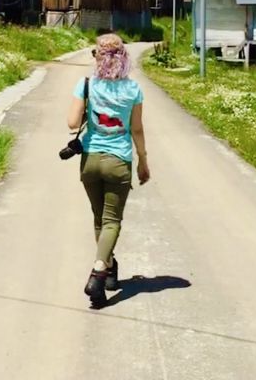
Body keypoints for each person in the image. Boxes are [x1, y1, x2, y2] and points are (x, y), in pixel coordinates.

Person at [66, 33, 150, 307]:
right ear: (124, 57)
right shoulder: (133, 89)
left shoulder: (86, 84)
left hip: (90, 160)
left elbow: (71, 122)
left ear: (97, 57)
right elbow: (136, 129)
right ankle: (99, 270)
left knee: (100, 218)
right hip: (118, 161)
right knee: (112, 220)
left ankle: (108, 271)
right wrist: (143, 160)